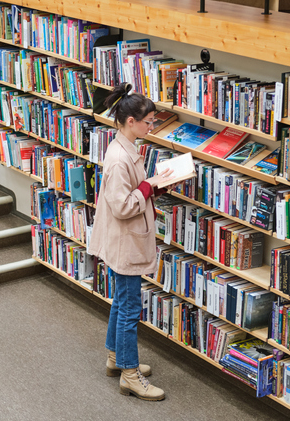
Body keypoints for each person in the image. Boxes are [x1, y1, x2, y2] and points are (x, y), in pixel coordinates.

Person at [88, 83, 175, 402]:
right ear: (130, 122)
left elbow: (131, 195)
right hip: (124, 243)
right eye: (149, 121)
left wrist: (152, 188)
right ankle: (129, 373)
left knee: (123, 304)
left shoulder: (126, 149)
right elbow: (123, 206)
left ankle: (115, 358)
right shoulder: (118, 158)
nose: (152, 126)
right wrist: (148, 188)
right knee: (129, 309)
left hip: (124, 240)